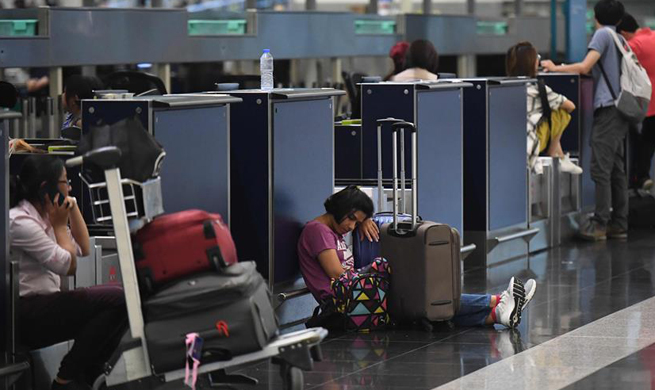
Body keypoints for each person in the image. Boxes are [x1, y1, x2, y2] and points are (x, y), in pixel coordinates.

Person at [297, 186, 537, 329]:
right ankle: (496, 303)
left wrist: (364, 220)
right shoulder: (316, 231)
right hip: (343, 303)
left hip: (356, 297)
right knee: (419, 297)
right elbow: (338, 275)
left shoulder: (333, 229)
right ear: (340, 212)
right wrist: (372, 270)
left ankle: (496, 314)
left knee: (423, 302)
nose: (352, 226)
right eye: (351, 220)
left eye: (356, 222)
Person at [10, 155, 127, 389]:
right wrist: (61, 226)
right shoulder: (20, 222)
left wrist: (71, 208)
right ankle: (66, 379)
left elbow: (82, 249)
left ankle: (88, 376)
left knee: (115, 315)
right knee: (117, 300)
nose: (70, 186)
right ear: (47, 187)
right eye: (65, 182)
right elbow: (69, 266)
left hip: (44, 306)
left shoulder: (46, 215)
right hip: (26, 314)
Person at [541, 0, 629, 241]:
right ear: (620, 20)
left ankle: (600, 224)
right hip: (620, 108)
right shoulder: (619, 38)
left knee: (601, 168)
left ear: (595, 16)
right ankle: (619, 222)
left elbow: (584, 66)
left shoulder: (602, 34)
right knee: (616, 168)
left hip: (608, 109)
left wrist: (554, 67)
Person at [506, 41, 581, 175]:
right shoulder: (538, 89)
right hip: (530, 144)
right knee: (560, 112)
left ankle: (560, 155)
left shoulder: (505, 87)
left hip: (508, 142)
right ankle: (557, 155)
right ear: (532, 63)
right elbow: (570, 106)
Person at [617, 13, 655, 191]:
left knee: (641, 142)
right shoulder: (653, 36)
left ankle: (638, 178)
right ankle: (642, 176)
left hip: (647, 103)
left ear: (623, 33)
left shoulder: (633, 46)